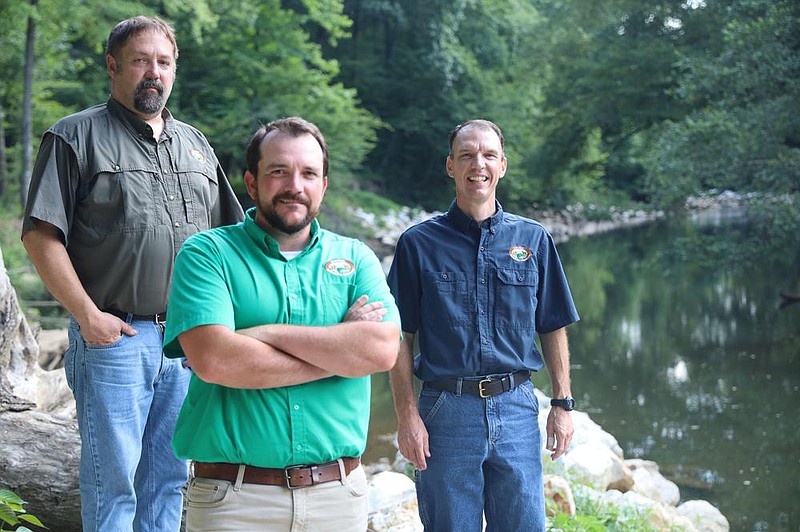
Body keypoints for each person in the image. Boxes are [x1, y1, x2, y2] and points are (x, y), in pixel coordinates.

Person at [21, 16, 244, 532]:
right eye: (141, 60)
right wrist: (87, 317)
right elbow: (40, 235)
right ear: (113, 66)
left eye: (163, 63)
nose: (154, 73)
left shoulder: (195, 145)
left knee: (168, 480)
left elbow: (230, 240)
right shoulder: (75, 136)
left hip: (187, 342)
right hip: (114, 339)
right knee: (113, 484)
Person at [162, 116, 401, 531]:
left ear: (323, 185)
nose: (295, 185)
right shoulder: (207, 254)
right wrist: (342, 351)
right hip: (234, 501)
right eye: (279, 171)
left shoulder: (357, 257)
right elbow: (217, 361)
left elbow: (380, 350)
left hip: (338, 498)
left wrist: (265, 335)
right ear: (252, 183)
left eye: (309, 173)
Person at [387, 119, 579, 531]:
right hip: (445, 410)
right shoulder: (417, 244)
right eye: (467, 155)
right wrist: (406, 415)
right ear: (450, 166)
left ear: (503, 165)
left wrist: (562, 405)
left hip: (517, 407)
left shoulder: (534, 240)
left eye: (489, 155)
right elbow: (398, 337)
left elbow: (553, 325)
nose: (479, 164)